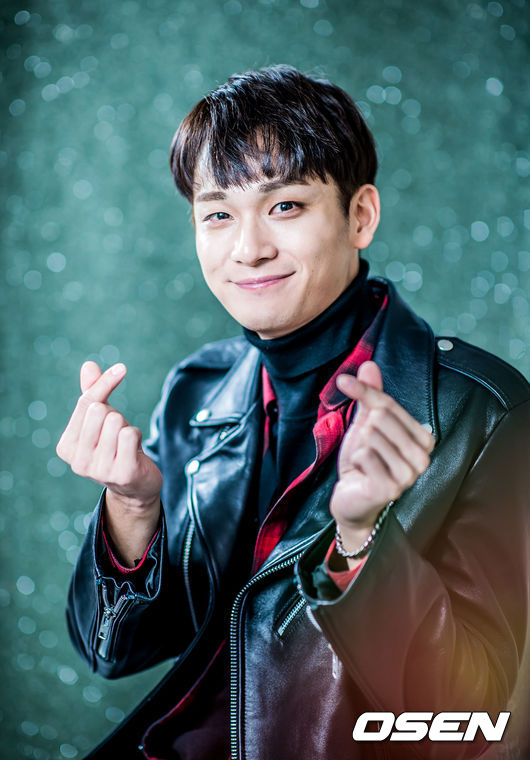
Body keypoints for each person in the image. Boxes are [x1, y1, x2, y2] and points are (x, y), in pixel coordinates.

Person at [57, 65, 530, 760]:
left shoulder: (484, 412)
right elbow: (113, 652)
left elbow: (469, 716)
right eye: (218, 214)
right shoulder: (199, 391)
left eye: (285, 205)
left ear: (360, 216)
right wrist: (131, 506)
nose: (249, 249)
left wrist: (362, 543)